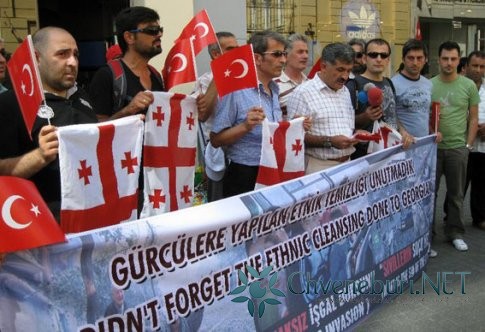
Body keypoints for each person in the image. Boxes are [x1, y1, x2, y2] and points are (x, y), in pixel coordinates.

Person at [0, 26, 98, 220]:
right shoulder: (11, 104)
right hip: (42, 226)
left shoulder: (82, 98)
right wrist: (39, 156)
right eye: (62, 54)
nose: (73, 62)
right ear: (36, 58)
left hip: (92, 220)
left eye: (75, 55)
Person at [211, 30, 287, 198]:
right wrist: (245, 126)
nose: (283, 60)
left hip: (273, 168)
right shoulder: (236, 89)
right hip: (244, 174)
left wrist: (292, 127)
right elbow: (216, 139)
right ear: (258, 58)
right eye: (276, 54)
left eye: (284, 54)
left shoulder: (274, 89)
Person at [391, 38, 442, 258]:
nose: (415, 62)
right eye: (410, 58)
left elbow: (426, 115)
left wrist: (434, 131)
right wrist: (403, 132)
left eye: (419, 58)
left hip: (425, 153)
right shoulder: (394, 83)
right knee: (404, 198)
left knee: (423, 197)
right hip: (403, 151)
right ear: (403, 59)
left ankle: (422, 241)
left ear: (425, 60)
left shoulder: (428, 83)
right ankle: (403, 246)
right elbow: (391, 116)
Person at [431, 41, 479, 251]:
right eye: (445, 58)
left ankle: (455, 232)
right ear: (438, 59)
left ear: (460, 61)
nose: (449, 63)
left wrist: (468, 145)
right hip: (433, 150)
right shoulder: (428, 84)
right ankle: (427, 235)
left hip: (458, 148)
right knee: (429, 195)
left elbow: (474, 119)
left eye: (453, 59)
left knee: (456, 194)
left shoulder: (468, 86)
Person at [286, 43, 360, 173]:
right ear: (324, 66)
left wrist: (356, 136)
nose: (345, 76)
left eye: (349, 70)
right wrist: (329, 141)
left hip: (348, 164)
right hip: (318, 167)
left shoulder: (345, 91)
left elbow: (344, 128)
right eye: (340, 69)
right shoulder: (302, 93)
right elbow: (293, 137)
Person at [89, 6, 164, 121]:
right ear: (129, 37)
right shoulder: (106, 75)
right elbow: (97, 130)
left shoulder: (156, 75)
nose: (159, 34)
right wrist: (128, 110)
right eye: (152, 30)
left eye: (160, 30)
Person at [348, 38, 414, 159]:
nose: (379, 59)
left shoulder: (389, 82)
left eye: (383, 55)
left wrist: (403, 132)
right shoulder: (353, 84)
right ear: (364, 58)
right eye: (373, 55)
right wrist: (365, 117)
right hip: (366, 155)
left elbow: (392, 114)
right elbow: (344, 121)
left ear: (388, 60)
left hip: (391, 152)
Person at [193, 31, 239, 202]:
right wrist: (221, 73)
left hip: (243, 153)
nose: (237, 52)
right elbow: (203, 115)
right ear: (215, 54)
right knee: (220, 202)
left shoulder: (245, 73)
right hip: (218, 154)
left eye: (238, 48)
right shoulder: (205, 81)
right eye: (230, 49)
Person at [465, 51, 485, 230]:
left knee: (481, 185)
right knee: (459, 185)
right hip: (464, 144)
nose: (478, 70)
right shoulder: (460, 86)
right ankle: (451, 217)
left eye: (482, 66)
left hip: (483, 145)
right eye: (475, 65)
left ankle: (479, 218)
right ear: (467, 66)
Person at [274, 33, 309, 119]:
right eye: (300, 52)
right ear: (286, 56)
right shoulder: (274, 85)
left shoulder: (311, 83)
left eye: (306, 52)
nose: (305, 56)